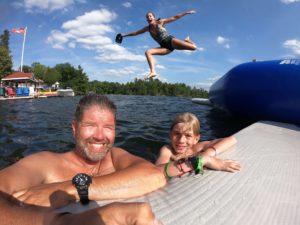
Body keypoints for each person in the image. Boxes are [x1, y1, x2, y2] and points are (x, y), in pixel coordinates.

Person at [0, 94, 166, 219]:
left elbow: (155, 176)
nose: (100, 136)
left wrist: (71, 189)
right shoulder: (46, 163)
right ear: (75, 128)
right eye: (90, 125)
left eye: (108, 127)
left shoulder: (114, 156)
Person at [156, 112, 240, 177]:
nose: (181, 140)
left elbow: (231, 140)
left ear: (196, 139)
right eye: (177, 133)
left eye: (188, 135)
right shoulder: (167, 150)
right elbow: (156, 171)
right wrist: (203, 160)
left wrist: (208, 153)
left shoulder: (196, 148)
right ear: (170, 135)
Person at [121, 10, 197, 79]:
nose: (149, 17)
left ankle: (188, 40)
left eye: (150, 16)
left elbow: (174, 17)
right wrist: (124, 35)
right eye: (147, 17)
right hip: (165, 48)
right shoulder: (147, 28)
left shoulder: (160, 22)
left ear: (154, 17)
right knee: (148, 52)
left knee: (194, 47)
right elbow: (136, 33)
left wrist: (186, 13)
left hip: (170, 41)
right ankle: (153, 71)